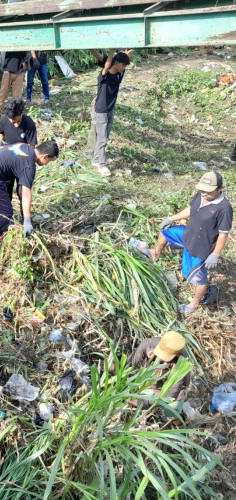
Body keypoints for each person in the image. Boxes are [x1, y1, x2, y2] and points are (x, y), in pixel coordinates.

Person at [147, 172, 232, 315]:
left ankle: (194, 304)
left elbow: (223, 234)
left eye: (208, 191)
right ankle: (155, 253)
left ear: (219, 189)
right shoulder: (202, 194)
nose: (204, 193)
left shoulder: (224, 208)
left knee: (197, 276)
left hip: (201, 246)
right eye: (202, 190)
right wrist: (171, 218)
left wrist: (215, 254)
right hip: (188, 234)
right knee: (165, 231)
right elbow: (191, 210)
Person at [0, 141, 58, 257]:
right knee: (5, 212)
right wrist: (27, 219)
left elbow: (20, 189)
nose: (46, 164)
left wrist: (23, 214)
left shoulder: (23, 147)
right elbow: (26, 192)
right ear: (45, 156)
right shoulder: (28, 165)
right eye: (49, 161)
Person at [124, 331, 191, 415]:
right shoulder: (148, 344)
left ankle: (176, 423)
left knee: (172, 408)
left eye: (165, 357)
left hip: (171, 389)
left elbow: (170, 396)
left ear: (178, 354)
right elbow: (131, 365)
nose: (160, 357)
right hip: (155, 377)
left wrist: (140, 402)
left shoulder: (180, 366)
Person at [90, 49, 131, 177]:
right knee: (102, 138)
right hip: (101, 110)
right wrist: (112, 52)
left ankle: (96, 160)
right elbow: (107, 65)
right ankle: (102, 164)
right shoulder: (104, 76)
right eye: (123, 65)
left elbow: (117, 64)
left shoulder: (119, 74)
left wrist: (126, 55)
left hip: (110, 109)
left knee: (104, 137)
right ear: (116, 63)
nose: (124, 68)